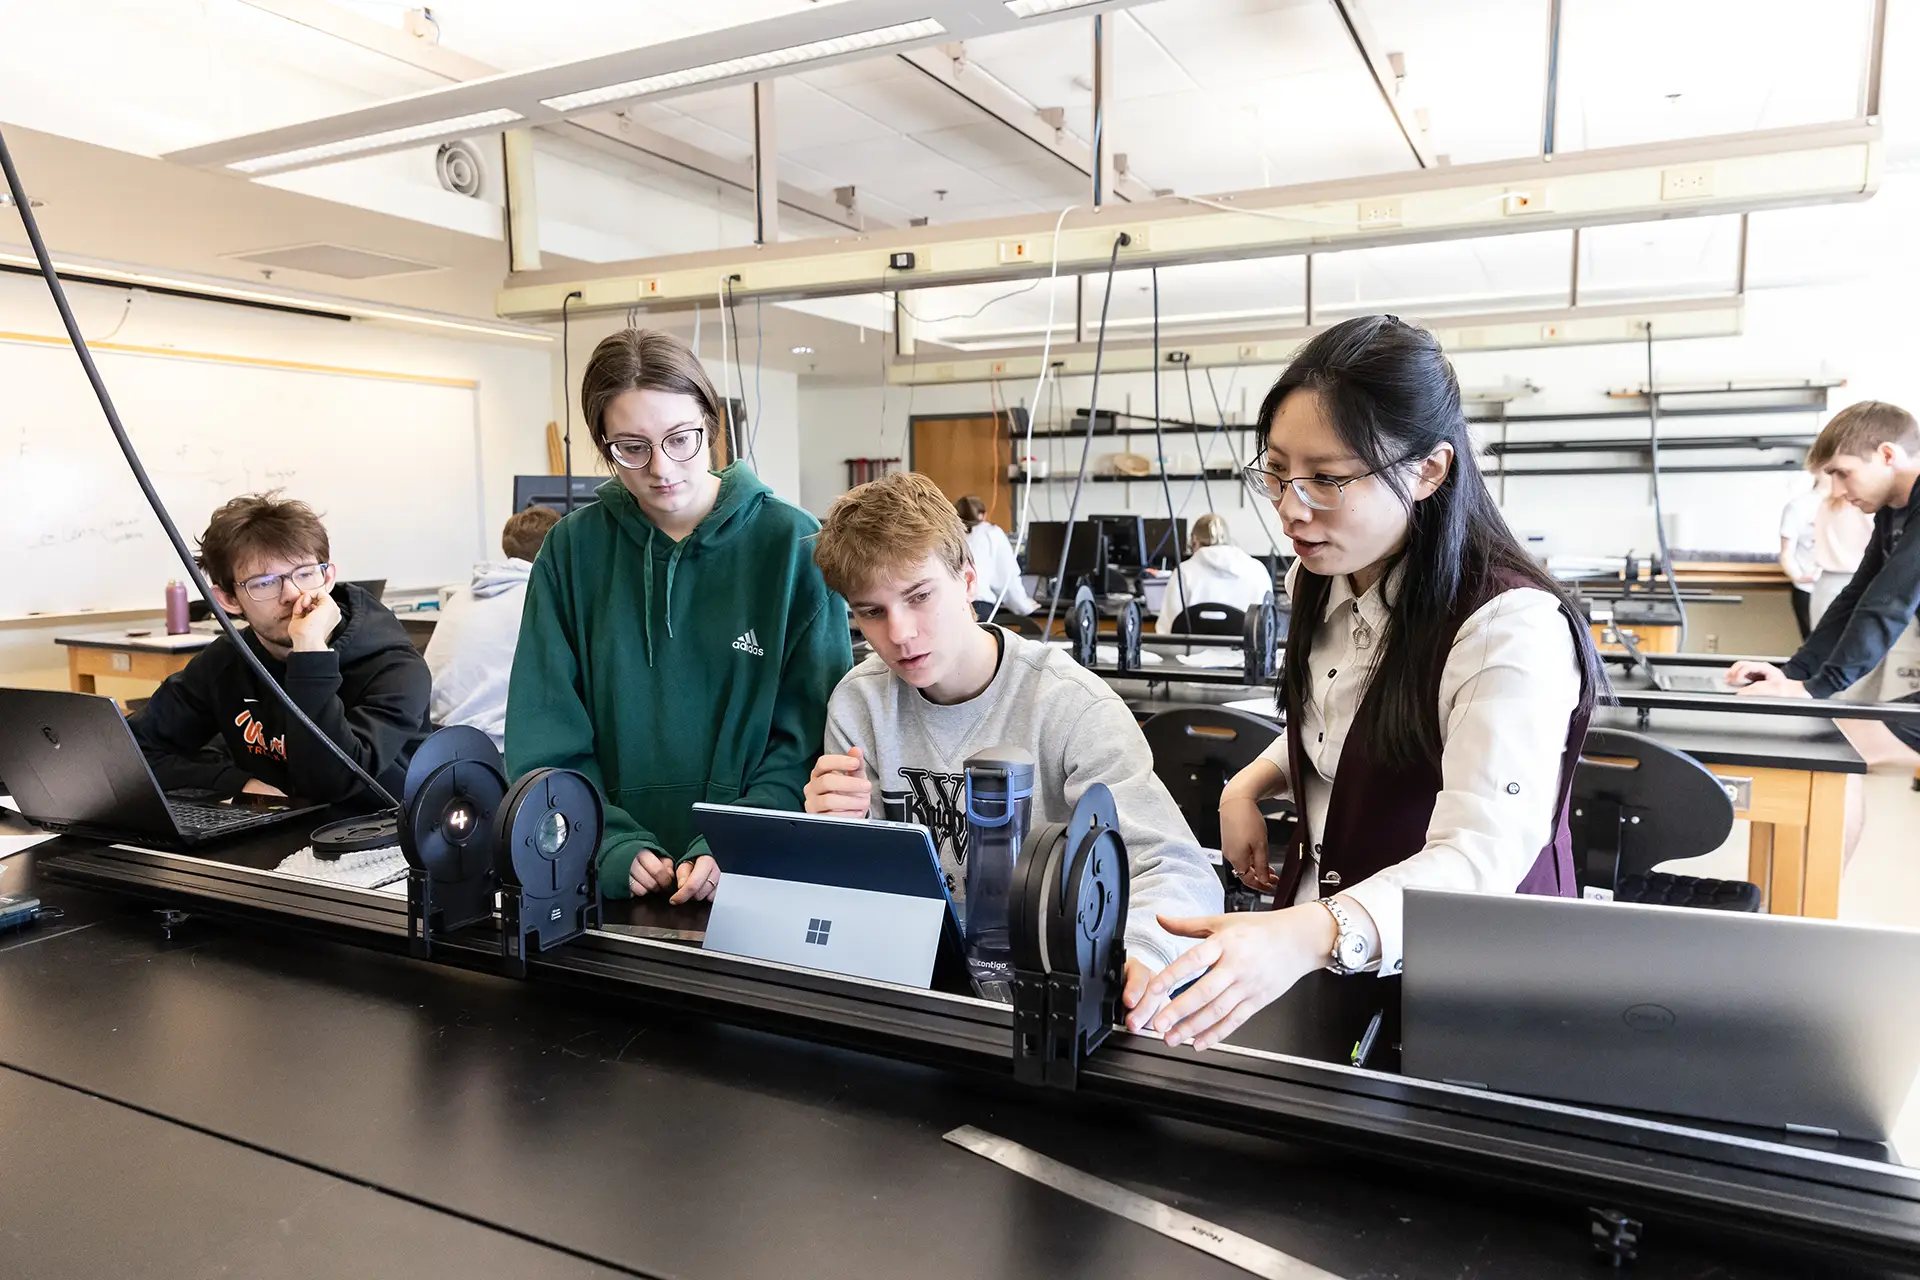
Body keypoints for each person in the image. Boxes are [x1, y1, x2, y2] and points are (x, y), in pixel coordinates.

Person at [1129, 315, 1604, 1051]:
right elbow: (1355, 727)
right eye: (1278, 471)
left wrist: (1301, 936)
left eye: (1327, 478)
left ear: (1429, 470)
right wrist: (1250, 780)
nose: (1291, 506)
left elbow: (1481, 855)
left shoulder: (1509, 625)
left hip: (1477, 995)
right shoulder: (1318, 575)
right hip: (1331, 966)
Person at [804, 471, 1222, 1012]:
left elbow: (1178, 868)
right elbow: (860, 899)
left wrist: (1134, 955)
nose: (900, 633)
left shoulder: (1070, 705)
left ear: (970, 579)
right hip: (918, 997)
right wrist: (832, 840)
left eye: (919, 596)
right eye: (871, 612)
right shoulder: (858, 705)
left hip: (1049, 998)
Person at [508, 328, 853, 907]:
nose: (661, 468)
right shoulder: (570, 551)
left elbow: (810, 741)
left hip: (756, 872)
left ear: (711, 424)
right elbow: (544, 734)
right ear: (604, 443)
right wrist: (604, 841)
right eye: (632, 447)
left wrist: (738, 837)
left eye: (680, 439)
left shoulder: (794, 544)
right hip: (602, 876)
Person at [129, 492, 431, 803]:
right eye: (264, 582)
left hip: (374, 838)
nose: (291, 594)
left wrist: (310, 652)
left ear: (327, 578)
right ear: (228, 600)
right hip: (274, 831)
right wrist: (235, 782)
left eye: (304, 573)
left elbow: (331, 784)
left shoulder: (394, 667)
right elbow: (131, 752)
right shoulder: (226, 661)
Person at [1731, 400, 1920, 769]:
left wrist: (1814, 689)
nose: (1835, 487)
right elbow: (1858, 595)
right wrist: (1794, 674)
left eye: (1843, 472)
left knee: (1855, 737)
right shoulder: (1893, 512)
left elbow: (1891, 601)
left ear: (1886, 455)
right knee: (1846, 737)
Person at [423, 505, 561, 752]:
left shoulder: (462, 594)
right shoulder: (538, 598)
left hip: (440, 742)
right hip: (497, 747)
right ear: (559, 548)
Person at [1153, 513, 1275, 633]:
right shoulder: (1257, 570)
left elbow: (1167, 629)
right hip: (1243, 652)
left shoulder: (1183, 573)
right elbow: (1265, 627)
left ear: (1194, 541)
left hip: (1190, 652)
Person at [955, 495, 1038, 618]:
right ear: (983, 515)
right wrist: (1024, 606)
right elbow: (1007, 579)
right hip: (978, 606)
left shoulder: (949, 535)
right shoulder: (991, 533)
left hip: (950, 607)